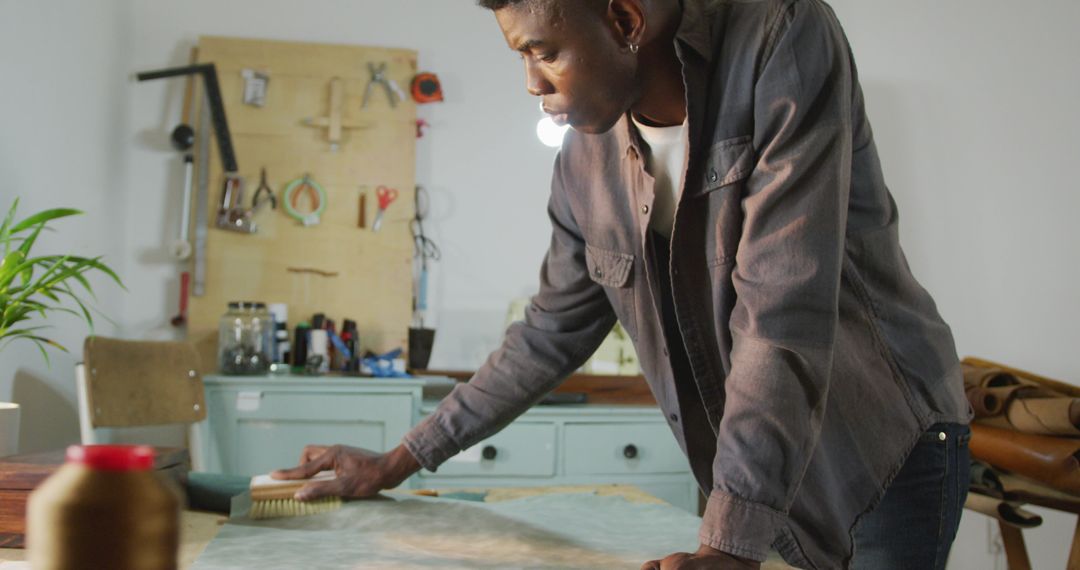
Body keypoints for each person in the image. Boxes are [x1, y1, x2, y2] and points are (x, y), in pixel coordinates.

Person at [272, 0, 974, 568]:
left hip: (879, 449)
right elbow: (547, 335)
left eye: (544, 51)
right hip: (755, 468)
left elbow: (781, 309)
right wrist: (397, 462)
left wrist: (729, 546)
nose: (531, 83)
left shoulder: (781, 38)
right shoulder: (585, 157)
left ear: (625, 20)